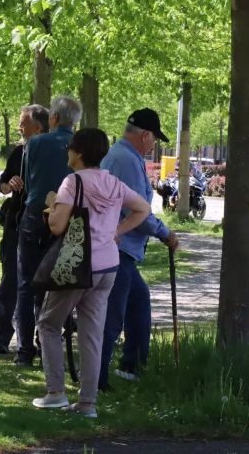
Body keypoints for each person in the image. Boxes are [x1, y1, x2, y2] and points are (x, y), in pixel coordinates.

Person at [32, 128, 151, 418]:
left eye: (71, 148)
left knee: (48, 324)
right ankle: (87, 404)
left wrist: (51, 207)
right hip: (107, 266)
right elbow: (143, 208)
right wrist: (115, 231)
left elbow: (58, 226)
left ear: (79, 152)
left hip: (76, 264)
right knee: (92, 334)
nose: (68, 152)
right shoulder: (113, 182)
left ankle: (56, 392)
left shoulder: (71, 182)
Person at [98, 108, 179, 389]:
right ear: (145, 135)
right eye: (154, 139)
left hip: (123, 251)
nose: (154, 145)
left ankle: (131, 366)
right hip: (118, 250)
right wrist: (164, 233)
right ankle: (98, 379)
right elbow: (138, 212)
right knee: (112, 317)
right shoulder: (126, 161)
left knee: (138, 304)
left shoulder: (123, 157)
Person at [14, 96, 82, 367]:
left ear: (53, 118)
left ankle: (24, 350)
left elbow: (30, 183)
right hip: (68, 220)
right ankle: (50, 346)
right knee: (59, 284)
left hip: (36, 217)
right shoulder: (81, 146)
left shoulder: (36, 143)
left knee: (26, 284)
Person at [0, 104, 49, 355]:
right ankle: (2, 338)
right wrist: (9, 185)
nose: (19, 127)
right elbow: (1, 184)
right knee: (10, 281)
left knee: (42, 284)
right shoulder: (19, 152)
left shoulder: (55, 153)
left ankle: (41, 338)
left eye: (23, 123)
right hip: (16, 224)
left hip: (44, 227)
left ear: (38, 126)